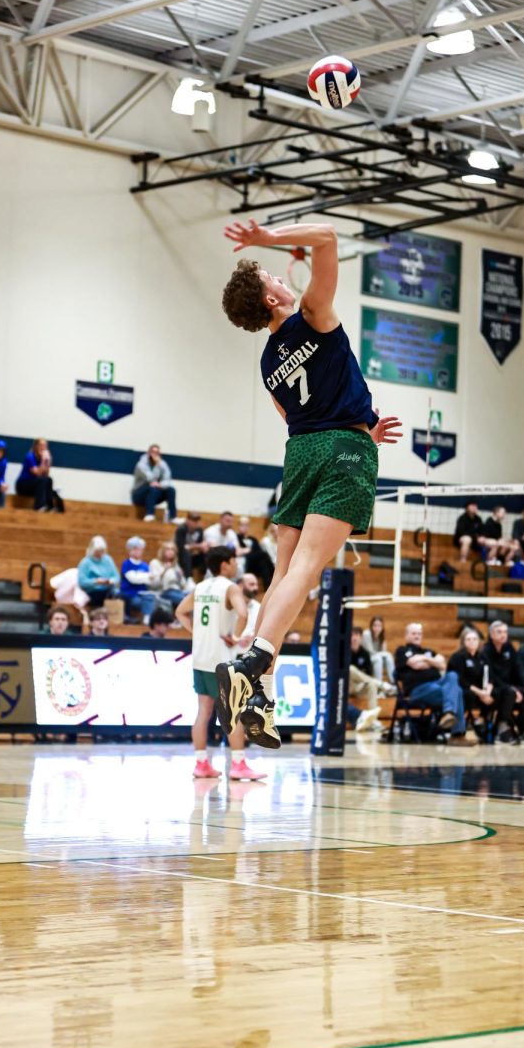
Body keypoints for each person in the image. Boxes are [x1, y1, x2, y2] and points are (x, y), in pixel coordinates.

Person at [214, 218, 402, 747]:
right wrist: (266, 239)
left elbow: (295, 416)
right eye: (273, 274)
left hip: (301, 452)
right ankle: (255, 662)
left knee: (282, 577)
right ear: (272, 298)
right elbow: (328, 236)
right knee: (306, 572)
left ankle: (258, 694)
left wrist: (356, 420)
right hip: (343, 450)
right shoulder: (313, 316)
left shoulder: (269, 360)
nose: (280, 276)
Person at [175, 546, 266, 780]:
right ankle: (238, 764)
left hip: (200, 658)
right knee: (233, 712)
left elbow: (180, 612)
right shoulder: (230, 587)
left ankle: (201, 763)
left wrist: (197, 632)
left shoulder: (201, 587)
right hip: (221, 660)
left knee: (203, 712)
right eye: (234, 561)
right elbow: (243, 613)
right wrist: (235, 638)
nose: (236, 564)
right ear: (224, 564)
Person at [394, 622, 476, 745]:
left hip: (437, 684)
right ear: (406, 635)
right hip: (417, 690)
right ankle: (457, 735)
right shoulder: (402, 651)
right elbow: (414, 664)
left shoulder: (428, 651)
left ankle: (449, 713)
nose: (417, 636)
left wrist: (424, 659)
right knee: (457, 692)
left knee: (452, 676)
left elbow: (442, 664)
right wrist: (431, 661)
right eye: (414, 633)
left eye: (419, 634)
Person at [482, 620, 524, 743]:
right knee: (509, 693)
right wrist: (513, 689)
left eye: (505, 632)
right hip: (492, 687)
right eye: (499, 632)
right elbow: (491, 676)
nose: (503, 635)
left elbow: (518, 667)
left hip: (509, 686)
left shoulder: (509, 647)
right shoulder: (485, 650)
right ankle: (502, 727)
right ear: (491, 634)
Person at [349, 626, 390, 731]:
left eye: (357, 635)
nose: (354, 638)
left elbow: (368, 675)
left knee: (371, 685)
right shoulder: (343, 651)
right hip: (346, 686)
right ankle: (379, 684)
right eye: (352, 635)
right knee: (350, 669)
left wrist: (363, 679)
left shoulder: (365, 654)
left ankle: (373, 720)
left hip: (358, 686)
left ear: (361, 638)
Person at [131, 444, 177, 522]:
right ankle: (149, 514)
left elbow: (168, 480)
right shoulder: (141, 464)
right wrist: (157, 465)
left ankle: (172, 517)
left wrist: (160, 485)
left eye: (157, 453)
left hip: (154, 493)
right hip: (138, 494)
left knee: (171, 490)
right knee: (152, 488)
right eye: (152, 452)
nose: (155, 454)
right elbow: (150, 478)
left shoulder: (162, 464)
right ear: (148, 453)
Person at [16, 438, 61, 512]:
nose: (43, 448)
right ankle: (39, 506)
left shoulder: (42, 458)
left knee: (49, 480)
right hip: (23, 485)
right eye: (41, 445)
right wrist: (43, 461)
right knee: (41, 480)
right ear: (36, 446)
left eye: (45, 446)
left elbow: (46, 475)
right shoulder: (30, 456)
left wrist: (48, 462)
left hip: (35, 485)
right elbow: (37, 473)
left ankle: (50, 506)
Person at [120, 536, 156, 624]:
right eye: (135, 549)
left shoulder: (145, 565)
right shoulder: (126, 563)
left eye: (140, 549)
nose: (138, 551)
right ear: (129, 550)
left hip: (143, 593)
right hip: (130, 594)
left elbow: (150, 581)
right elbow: (132, 579)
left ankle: (147, 619)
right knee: (140, 602)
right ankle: (147, 620)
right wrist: (145, 576)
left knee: (153, 599)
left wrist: (139, 576)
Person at [77, 536, 119, 608]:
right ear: (92, 550)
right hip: (92, 592)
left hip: (108, 589)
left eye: (102, 550)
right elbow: (82, 582)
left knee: (117, 594)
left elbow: (116, 576)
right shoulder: (85, 562)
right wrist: (96, 581)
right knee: (98, 598)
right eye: (98, 551)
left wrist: (111, 581)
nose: (101, 553)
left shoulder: (108, 559)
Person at [148, 541, 189, 615]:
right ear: (162, 551)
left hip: (178, 591)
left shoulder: (176, 565)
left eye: (172, 550)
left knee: (192, 597)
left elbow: (183, 585)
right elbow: (154, 584)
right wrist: (164, 571)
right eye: (168, 549)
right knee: (185, 601)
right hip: (163, 591)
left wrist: (180, 577)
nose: (170, 552)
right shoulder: (155, 563)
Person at [236, 516, 274, 588]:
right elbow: (239, 553)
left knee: (262, 562)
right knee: (263, 555)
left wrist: (248, 551)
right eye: (242, 525)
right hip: (245, 563)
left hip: (255, 565)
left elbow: (258, 552)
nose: (245, 527)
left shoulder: (253, 539)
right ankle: (272, 576)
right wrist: (248, 551)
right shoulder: (236, 538)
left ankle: (268, 587)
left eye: (247, 525)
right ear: (239, 526)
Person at [361, 615, 395, 684]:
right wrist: (382, 654)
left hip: (376, 658)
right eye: (375, 625)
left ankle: (393, 682)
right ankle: (379, 684)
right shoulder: (366, 634)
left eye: (379, 626)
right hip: (366, 659)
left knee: (388, 657)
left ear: (382, 627)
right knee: (378, 658)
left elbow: (384, 652)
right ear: (371, 626)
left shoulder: (381, 636)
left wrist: (385, 654)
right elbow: (370, 652)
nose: (377, 628)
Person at [175, 512, 207, 580]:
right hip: (180, 557)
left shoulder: (199, 530)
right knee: (185, 553)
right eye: (193, 520)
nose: (195, 523)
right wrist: (197, 546)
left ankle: (205, 576)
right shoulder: (181, 529)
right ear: (187, 520)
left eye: (197, 521)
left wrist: (204, 547)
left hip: (193, 555)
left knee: (207, 553)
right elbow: (181, 547)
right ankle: (188, 578)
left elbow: (200, 545)